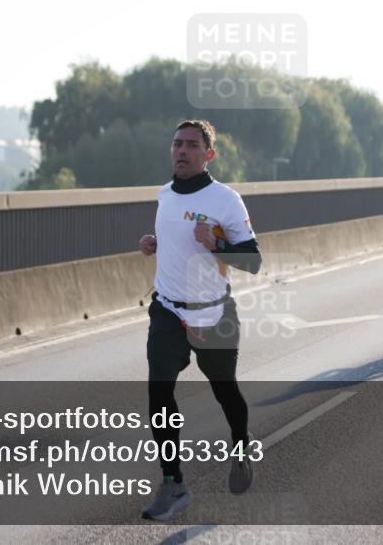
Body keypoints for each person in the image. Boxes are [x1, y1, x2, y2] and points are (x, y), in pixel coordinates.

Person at [138, 119, 262, 521]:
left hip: (213, 313)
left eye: (192, 145)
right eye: (177, 144)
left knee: (225, 392)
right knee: (159, 393)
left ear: (208, 154)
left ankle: (240, 447)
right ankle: (173, 481)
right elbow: (176, 236)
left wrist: (219, 243)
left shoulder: (226, 200)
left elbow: (253, 261)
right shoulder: (163, 195)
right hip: (168, 310)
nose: (182, 151)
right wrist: (155, 244)